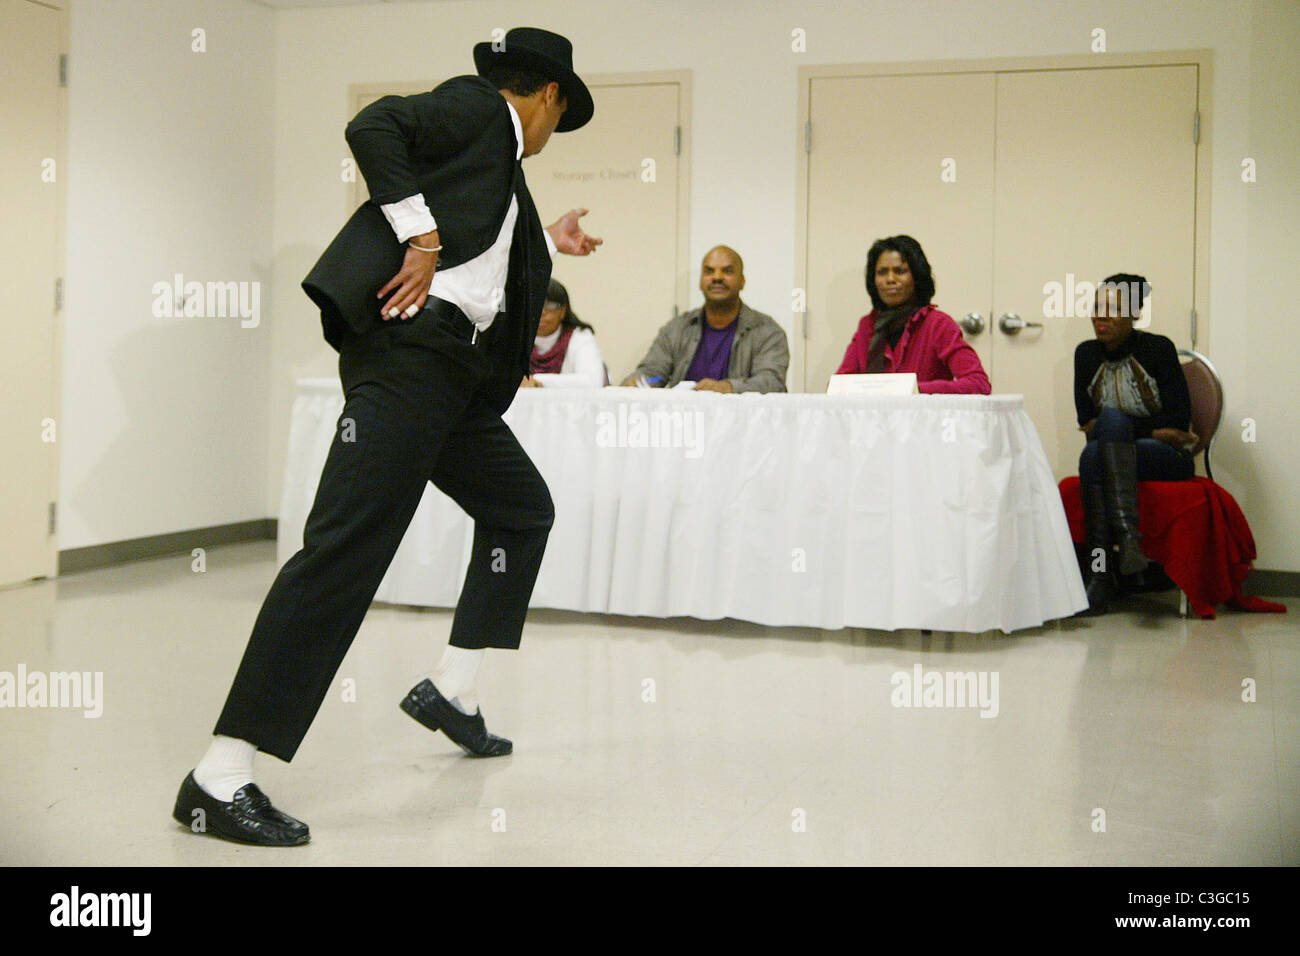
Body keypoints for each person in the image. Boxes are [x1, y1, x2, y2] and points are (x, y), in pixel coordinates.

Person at [172, 28, 602, 847]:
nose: (553, 135)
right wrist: (421, 238)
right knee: (344, 550)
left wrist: (546, 245)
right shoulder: (479, 110)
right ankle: (218, 775)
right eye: (561, 115)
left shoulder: (503, 176)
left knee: (521, 510)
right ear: (547, 96)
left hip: (455, 382)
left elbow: (480, 259)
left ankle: (455, 691)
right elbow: (376, 125)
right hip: (410, 362)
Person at [1073, 274, 1196, 616]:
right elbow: (1087, 423)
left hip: (1168, 458)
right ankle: (1123, 549)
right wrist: (1150, 429)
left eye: (1112, 309)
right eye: (1097, 307)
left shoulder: (1158, 349)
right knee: (1094, 451)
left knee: (1104, 433)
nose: (1101, 316)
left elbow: (1179, 422)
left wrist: (1122, 426)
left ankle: (1101, 575)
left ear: (1135, 314)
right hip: (1116, 452)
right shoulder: (1085, 355)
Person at [835, 235, 990, 394]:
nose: (890, 279)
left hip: (927, 417)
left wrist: (913, 390)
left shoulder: (938, 324)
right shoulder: (867, 326)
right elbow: (839, 387)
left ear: (917, 276)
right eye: (882, 272)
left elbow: (979, 384)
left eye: (900, 271)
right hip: (875, 418)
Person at [621, 245, 788, 392]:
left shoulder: (767, 331)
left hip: (741, 424)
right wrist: (639, 382)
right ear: (701, 282)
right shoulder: (677, 328)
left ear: (742, 282)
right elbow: (654, 374)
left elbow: (771, 383)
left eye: (727, 271)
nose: (717, 277)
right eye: (709, 271)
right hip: (684, 422)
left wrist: (728, 388)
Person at [519, 278, 606, 387]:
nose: (541, 312)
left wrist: (536, 381)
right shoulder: (514, 337)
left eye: (549, 305)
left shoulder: (580, 337)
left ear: (563, 311)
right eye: (534, 305)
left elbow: (593, 381)